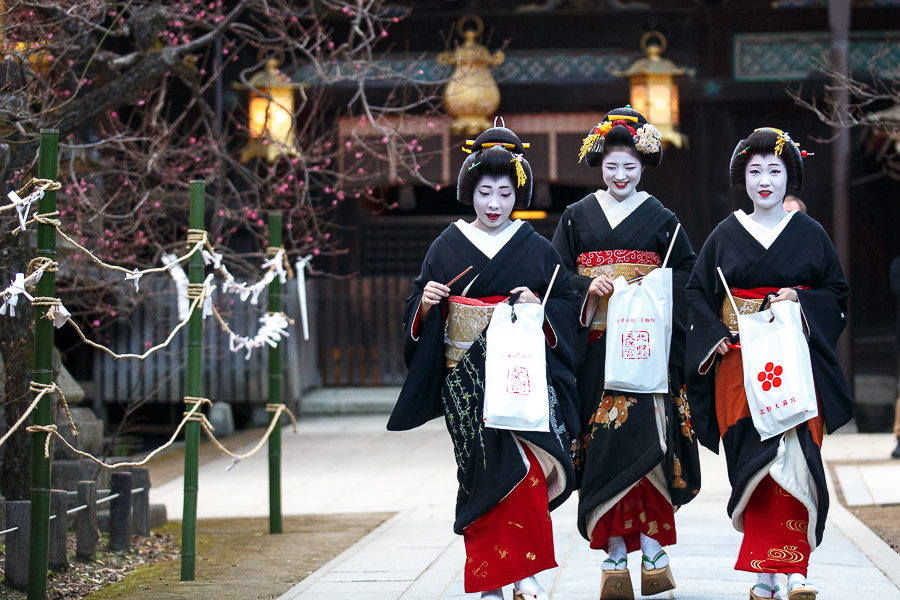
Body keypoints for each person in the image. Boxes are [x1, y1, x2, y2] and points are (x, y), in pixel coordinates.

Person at [387, 123, 581, 600]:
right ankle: (492, 578)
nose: (494, 203)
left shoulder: (536, 246)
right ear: (469, 192)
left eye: (504, 192)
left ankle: (528, 574)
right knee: (479, 472)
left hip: (523, 373)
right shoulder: (446, 245)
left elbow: (563, 304)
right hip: (466, 379)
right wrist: (428, 304)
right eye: (484, 192)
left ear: (517, 194)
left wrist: (539, 309)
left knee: (527, 469)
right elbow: (418, 305)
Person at [685, 127, 852, 600]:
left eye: (774, 171)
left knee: (797, 460)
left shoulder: (810, 233)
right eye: (755, 171)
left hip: (794, 361)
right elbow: (697, 292)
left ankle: (795, 571)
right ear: (743, 177)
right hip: (740, 364)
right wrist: (714, 337)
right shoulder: (725, 234)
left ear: (789, 178)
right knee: (755, 464)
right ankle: (763, 573)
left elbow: (837, 293)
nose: (764, 180)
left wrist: (798, 298)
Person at [551, 107, 701, 600]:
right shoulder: (575, 217)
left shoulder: (663, 219)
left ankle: (655, 546)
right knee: (605, 447)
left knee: (649, 443)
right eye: (613, 165)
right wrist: (585, 287)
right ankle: (614, 549)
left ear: (643, 166)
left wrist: (651, 286)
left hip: (648, 350)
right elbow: (553, 278)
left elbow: (689, 276)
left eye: (630, 166)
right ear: (599, 164)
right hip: (597, 350)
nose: (620, 175)